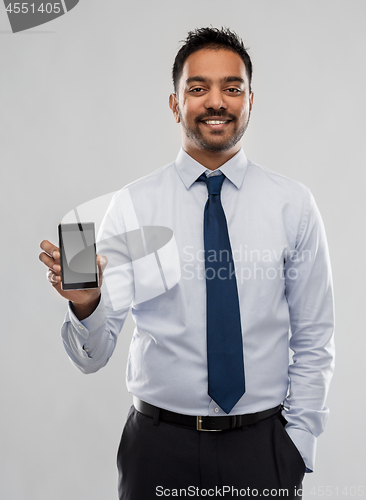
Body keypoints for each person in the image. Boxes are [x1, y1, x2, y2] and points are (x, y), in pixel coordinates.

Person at [39, 27, 335, 500]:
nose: (216, 101)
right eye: (197, 89)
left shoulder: (293, 206)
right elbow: (91, 358)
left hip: (263, 450)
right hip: (158, 448)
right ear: (175, 105)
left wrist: (297, 446)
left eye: (231, 88)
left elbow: (315, 338)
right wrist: (87, 305)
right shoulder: (132, 206)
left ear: (250, 101)